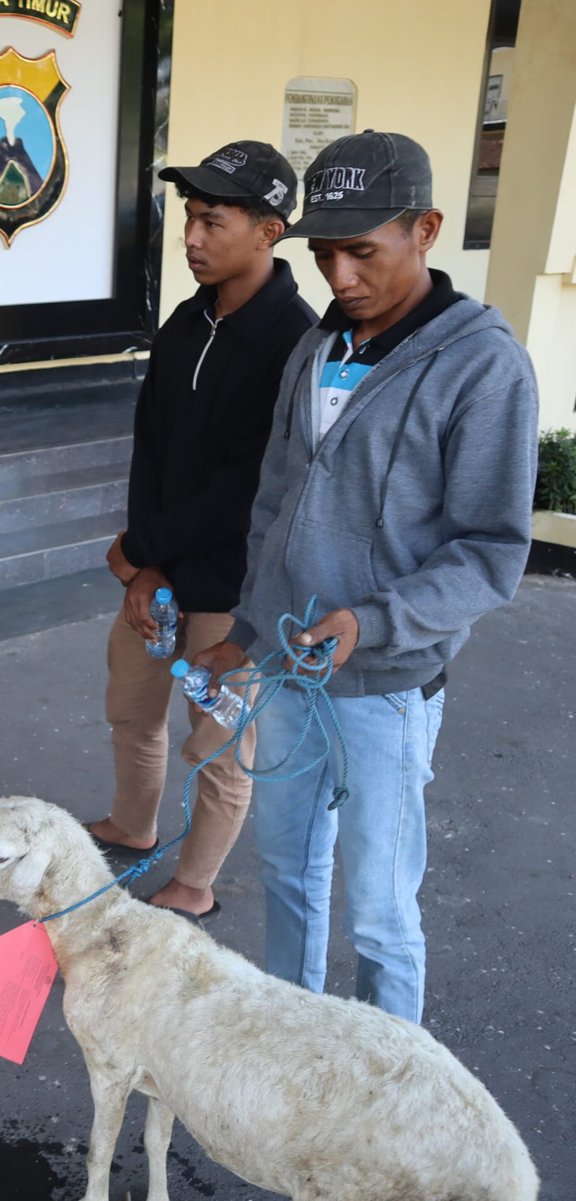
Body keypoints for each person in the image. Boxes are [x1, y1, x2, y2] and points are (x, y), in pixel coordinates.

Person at [190, 131, 538, 1023]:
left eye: (362, 251)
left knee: (381, 911)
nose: (340, 276)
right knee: (289, 874)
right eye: (324, 253)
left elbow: (492, 550)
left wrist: (374, 622)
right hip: (287, 675)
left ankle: (392, 1087)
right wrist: (247, 629)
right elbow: (275, 500)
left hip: (385, 687)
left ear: (426, 229)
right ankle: (294, 1051)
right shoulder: (317, 349)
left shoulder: (482, 364)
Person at [88, 141, 315, 920]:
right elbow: (150, 447)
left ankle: (194, 882)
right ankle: (132, 823)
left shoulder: (295, 343)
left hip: (234, 590)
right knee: (133, 710)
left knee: (221, 742)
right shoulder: (187, 321)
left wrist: (148, 549)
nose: (191, 236)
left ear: (269, 229)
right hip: (159, 579)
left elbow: (247, 487)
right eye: (189, 217)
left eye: (213, 221)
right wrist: (143, 563)